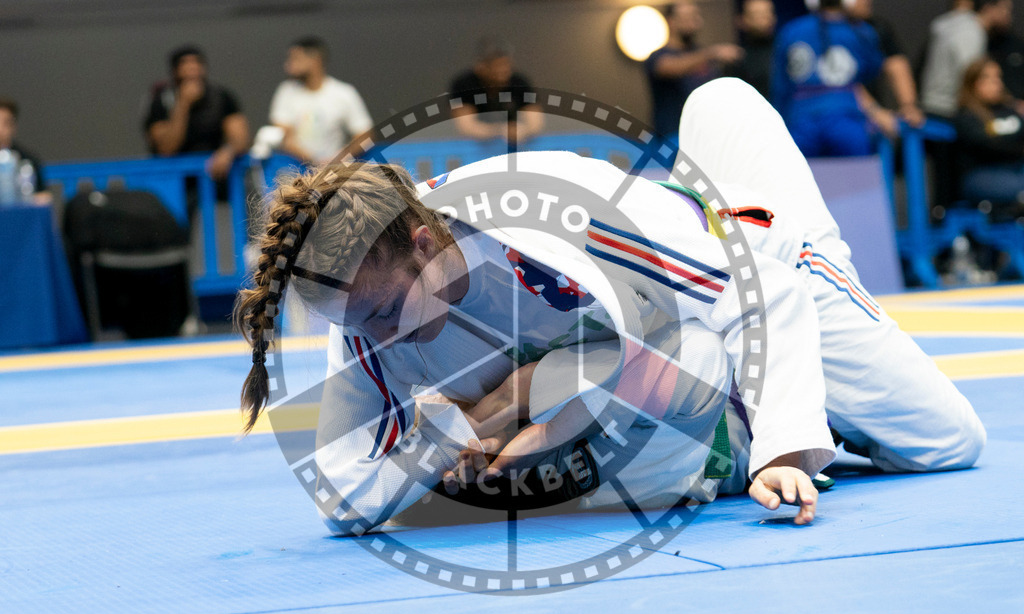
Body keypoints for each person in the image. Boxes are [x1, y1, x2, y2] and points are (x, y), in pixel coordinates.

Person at [234, 78, 985, 536]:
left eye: (387, 314)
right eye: (356, 328)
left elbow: (763, 299)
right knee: (661, 360)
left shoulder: (554, 212)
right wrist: (457, 423)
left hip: (759, 261)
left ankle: (771, 198)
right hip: (673, 335)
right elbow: (340, 490)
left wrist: (783, 449)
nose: (376, 342)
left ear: (427, 241)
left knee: (946, 439)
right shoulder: (360, 292)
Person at [771, 0, 885, 157]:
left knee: (796, 175)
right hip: (846, 117)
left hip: (800, 119)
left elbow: (781, 86)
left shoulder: (791, 30)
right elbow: (872, 70)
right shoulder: (860, 31)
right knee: (857, 176)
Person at [143, 45, 250, 181]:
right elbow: (166, 148)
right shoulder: (161, 102)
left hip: (215, 177)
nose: (192, 70)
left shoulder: (221, 97)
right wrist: (182, 105)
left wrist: (228, 151)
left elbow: (240, 138)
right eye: (185, 65)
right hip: (175, 181)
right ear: (175, 71)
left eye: (196, 64)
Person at [268, 36, 374, 165]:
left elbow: (364, 135)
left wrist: (339, 157)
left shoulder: (344, 93)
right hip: (295, 169)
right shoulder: (286, 92)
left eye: (295, 59)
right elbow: (283, 135)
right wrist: (313, 161)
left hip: (334, 171)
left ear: (315, 61)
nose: (288, 65)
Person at [646, 1, 743, 140]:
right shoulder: (658, 56)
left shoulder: (702, 53)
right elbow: (670, 67)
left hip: (704, 136)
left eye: (695, 17)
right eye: (687, 17)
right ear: (671, 21)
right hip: (672, 138)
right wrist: (712, 53)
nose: (694, 22)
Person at [920, 0, 1014, 120]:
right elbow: (970, 77)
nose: (1008, 15)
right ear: (989, 8)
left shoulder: (950, 23)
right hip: (949, 109)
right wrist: (1010, 102)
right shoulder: (971, 33)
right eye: (1005, 9)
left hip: (933, 103)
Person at [846, 0, 926, 132]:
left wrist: (909, 106)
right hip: (833, 117)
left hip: (868, 125)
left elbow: (896, 64)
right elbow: (840, 83)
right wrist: (874, 111)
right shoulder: (820, 31)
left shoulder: (876, 27)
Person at [954, 57, 1024, 205]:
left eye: (998, 77)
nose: (997, 83)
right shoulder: (967, 116)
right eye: (989, 78)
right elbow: (987, 146)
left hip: (1016, 168)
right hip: (982, 174)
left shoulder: (1009, 109)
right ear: (975, 83)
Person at [449, 38, 543, 146]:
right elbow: (466, 127)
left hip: (515, 148)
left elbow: (535, 123)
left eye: (506, 64)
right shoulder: (463, 84)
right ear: (481, 67)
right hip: (475, 150)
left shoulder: (520, 82)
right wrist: (500, 131)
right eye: (496, 65)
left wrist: (523, 130)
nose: (503, 71)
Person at [725, 0, 777, 101]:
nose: (764, 18)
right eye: (756, 14)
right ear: (742, 20)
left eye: (767, 13)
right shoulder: (736, 57)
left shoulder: (784, 50)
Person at [0, 98, 47, 200]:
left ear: (13, 127)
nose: (0, 130)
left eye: (5, 123)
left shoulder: (28, 160)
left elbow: (43, 196)